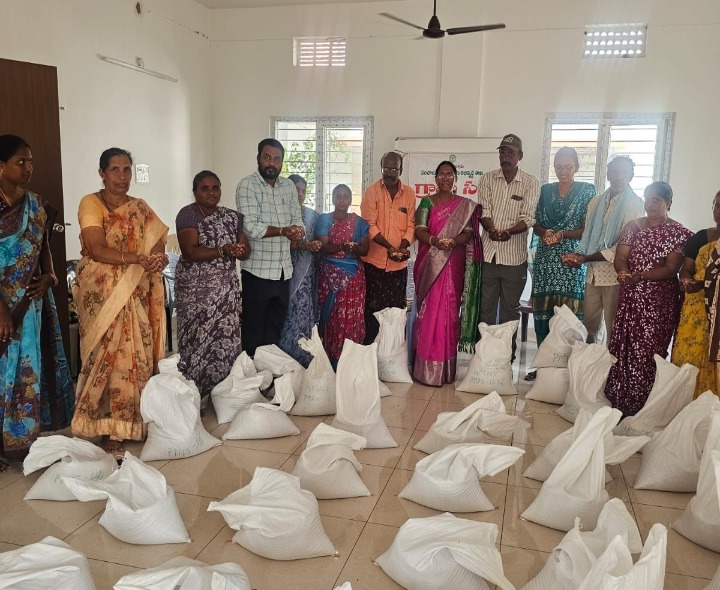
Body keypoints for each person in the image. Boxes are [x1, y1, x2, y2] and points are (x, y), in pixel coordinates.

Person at [72, 148, 168, 455]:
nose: (122, 176)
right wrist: (137, 258)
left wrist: (157, 258)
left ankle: (131, 423)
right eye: (115, 169)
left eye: (127, 169)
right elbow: (96, 248)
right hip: (100, 293)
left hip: (134, 290)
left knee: (134, 355)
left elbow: (158, 241)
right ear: (102, 173)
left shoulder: (139, 208)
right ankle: (105, 425)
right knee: (105, 356)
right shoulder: (91, 202)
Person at [0, 135, 74, 467]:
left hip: (32, 303)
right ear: (1, 166)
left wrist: (51, 276)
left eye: (30, 161)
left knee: (30, 368)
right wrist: (2, 311)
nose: (28, 167)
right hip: (4, 304)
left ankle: (25, 439)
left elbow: (43, 247)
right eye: (21, 161)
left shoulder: (36, 204)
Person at [604, 181, 693, 416]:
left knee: (650, 352)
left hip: (659, 302)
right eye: (647, 198)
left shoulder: (678, 233)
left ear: (668, 203)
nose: (650, 204)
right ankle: (620, 401)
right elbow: (621, 256)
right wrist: (623, 272)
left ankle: (646, 407)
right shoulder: (632, 227)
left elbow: (671, 268)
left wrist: (641, 276)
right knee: (626, 348)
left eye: (656, 200)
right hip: (631, 296)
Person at [175, 171, 250, 396]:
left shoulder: (232, 217)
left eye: (215, 188)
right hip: (195, 293)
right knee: (196, 340)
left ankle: (222, 393)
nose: (211, 192)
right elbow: (189, 252)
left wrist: (239, 250)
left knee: (224, 342)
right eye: (204, 188)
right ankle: (193, 392)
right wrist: (223, 250)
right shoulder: (188, 214)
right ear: (195, 192)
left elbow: (246, 251)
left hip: (225, 293)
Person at [412, 161, 482, 386]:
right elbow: (419, 230)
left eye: (449, 174)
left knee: (450, 313)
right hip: (430, 264)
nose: (445, 178)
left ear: (455, 179)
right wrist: (434, 241)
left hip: (453, 264)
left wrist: (452, 242)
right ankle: (424, 369)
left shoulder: (464, 205)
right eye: (441, 174)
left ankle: (446, 370)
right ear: (435, 178)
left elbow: (468, 233)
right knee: (429, 311)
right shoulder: (426, 202)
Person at [562, 156, 645, 344]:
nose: (619, 177)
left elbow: (624, 246)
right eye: (614, 172)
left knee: (613, 326)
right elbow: (588, 236)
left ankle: (611, 363)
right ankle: (588, 360)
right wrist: (577, 256)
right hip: (592, 274)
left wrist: (586, 258)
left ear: (631, 176)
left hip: (615, 275)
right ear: (608, 174)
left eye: (624, 172)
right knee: (588, 325)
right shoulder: (596, 202)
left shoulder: (635, 204)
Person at [236, 139, 305, 356]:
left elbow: (297, 219)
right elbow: (251, 227)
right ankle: (252, 373)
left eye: (277, 159)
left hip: (283, 271)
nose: (272, 163)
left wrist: (298, 231)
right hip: (257, 271)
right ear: (258, 158)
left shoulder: (288, 186)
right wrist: (284, 231)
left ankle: (269, 372)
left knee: (275, 329)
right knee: (253, 330)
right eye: (267, 157)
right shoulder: (247, 185)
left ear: (282, 162)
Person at [477, 134, 540, 355]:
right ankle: (484, 355)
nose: (505, 156)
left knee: (509, 312)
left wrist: (508, 232)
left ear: (520, 156)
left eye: (510, 153)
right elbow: (484, 211)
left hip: (514, 259)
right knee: (485, 309)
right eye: (502, 152)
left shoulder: (531, 182)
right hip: (489, 256)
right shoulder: (487, 179)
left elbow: (528, 217)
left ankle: (505, 356)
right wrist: (491, 230)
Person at [531, 147, 596, 345]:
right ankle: (544, 359)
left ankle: (569, 359)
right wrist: (547, 233)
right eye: (559, 167)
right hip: (546, 260)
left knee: (570, 314)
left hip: (572, 260)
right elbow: (535, 224)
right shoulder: (545, 191)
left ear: (577, 167)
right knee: (545, 309)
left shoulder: (587, 191)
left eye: (568, 167)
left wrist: (562, 234)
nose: (563, 171)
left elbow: (588, 229)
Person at [360, 151, 416, 344]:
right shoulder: (372, 192)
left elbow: (411, 225)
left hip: (398, 267)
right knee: (372, 313)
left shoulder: (409, 194)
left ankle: (392, 354)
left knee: (395, 313)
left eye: (394, 169)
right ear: (381, 168)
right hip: (374, 264)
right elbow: (369, 225)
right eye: (386, 168)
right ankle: (371, 354)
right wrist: (389, 247)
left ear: (401, 169)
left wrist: (402, 248)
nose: (390, 173)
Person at [673, 191, 720, 397]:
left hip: (717, 309)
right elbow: (686, 269)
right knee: (688, 355)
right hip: (696, 306)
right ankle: (686, 404)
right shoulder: (702, 237)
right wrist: (688, 281)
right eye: (718, 205)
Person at [316, 184, 370, 367]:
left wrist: (354, 248)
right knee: (333, 317)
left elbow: (365, 249)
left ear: (350, 199)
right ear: (332, 198)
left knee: (352, 317)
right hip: (330, 277)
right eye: (338, 196)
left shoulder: (359, 222)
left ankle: (351, 363)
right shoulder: (324, 219)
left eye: (345, 196)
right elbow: (323, 247)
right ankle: (331, 362)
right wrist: (342, 246)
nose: (341, 200)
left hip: (353, 278)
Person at [279, 174, 322, 366]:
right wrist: (304, 245)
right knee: (287, 313)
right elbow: (277, 244)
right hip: (285, 272)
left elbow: (319, 240)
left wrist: (315, 245)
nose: (300, 194)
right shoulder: (279, 215)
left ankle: (305, 359)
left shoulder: (313, 216)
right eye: (296, 190)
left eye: (303, 191)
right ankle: (286, 360)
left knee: (305, 312)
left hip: (308, 274)